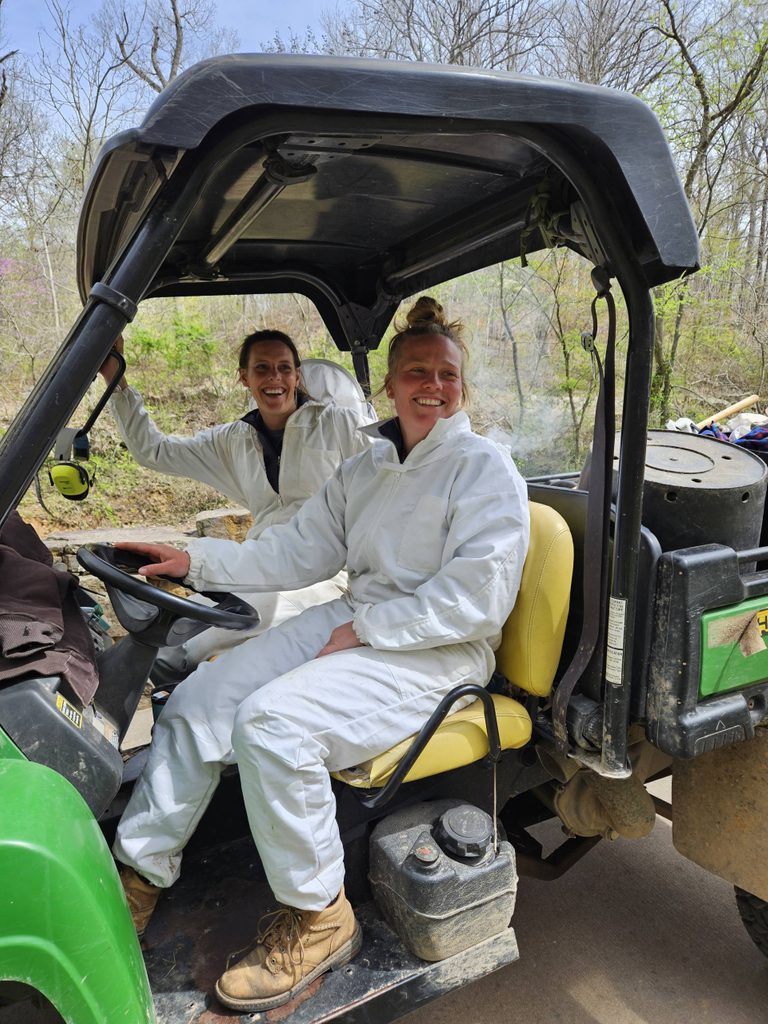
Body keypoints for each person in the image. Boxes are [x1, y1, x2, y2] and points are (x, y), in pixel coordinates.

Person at [112, 297, 530, 1013]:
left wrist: (370, 630)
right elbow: (296, 549)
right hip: (358, 617)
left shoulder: (484, 469)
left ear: (463, 387)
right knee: (199, 700)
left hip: (439, 651)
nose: (432, 385)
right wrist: (194, 557)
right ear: (390, 386)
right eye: (416, 373)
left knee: (273, 724)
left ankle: (320, 916)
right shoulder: (368, 465)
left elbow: (476, 601)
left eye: (447, 375)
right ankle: (141, 875)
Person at [99, 329, 374, 677]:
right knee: (161, 640)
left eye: (284, 368)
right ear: (244, 377)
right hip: (253, 570)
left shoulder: (338, 424)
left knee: (186, 647)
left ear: (297, 375)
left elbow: (394, 469)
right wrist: (116, 379)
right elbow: (153, 451)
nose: (275, 378)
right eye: (262, 368)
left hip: (324, 577)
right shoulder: (232, 441)